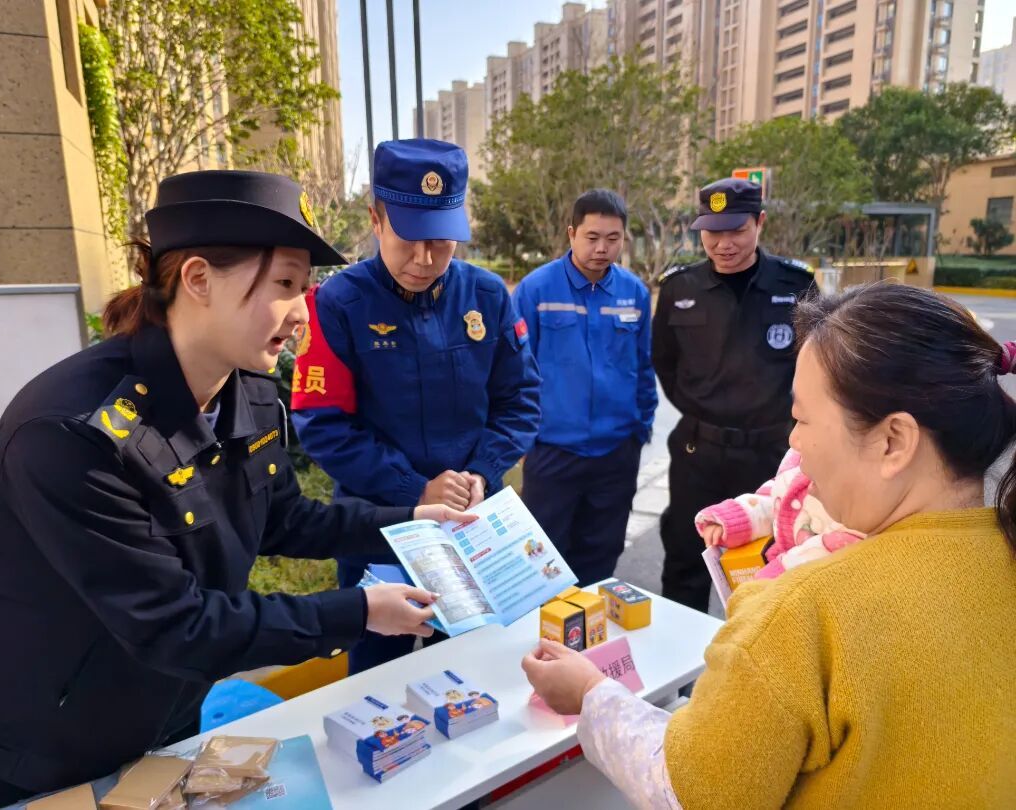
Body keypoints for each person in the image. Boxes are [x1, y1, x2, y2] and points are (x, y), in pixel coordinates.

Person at [0, 170, 470, 810]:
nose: (304, 313)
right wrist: (357, 612)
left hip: (160, 714)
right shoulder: (70, 434)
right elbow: (175, 624)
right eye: (285, 285)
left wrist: (415, 521)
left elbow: (284, 517)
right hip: (25, 745)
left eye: (305, 288)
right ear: (197, 279)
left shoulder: (247, 391)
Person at [524, 283, 1016, 808]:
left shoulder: (802, 613)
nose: (793, 442)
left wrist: (591, 695)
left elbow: (691, 792)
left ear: (893, 441)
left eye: (801, 419)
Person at [291, 139, 541, 673]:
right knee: (377, 681)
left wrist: (481, 471)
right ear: (375, 219)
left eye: (441, 241)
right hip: (380, 529)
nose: (425, 259)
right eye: (409, 238)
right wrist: (415, 489)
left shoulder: (487, 296)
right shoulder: (340, 303)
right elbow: (323, 423)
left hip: (472, 526)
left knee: (476, 673)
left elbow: (520, 400)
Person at [651, 178, 816, 612]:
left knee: (768, 564)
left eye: (736, 230)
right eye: (712, 231)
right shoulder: (680, 288)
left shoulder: (796, 285)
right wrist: (702, 410)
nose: (723, 244)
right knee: (685, 560)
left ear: (760, 223)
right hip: (698, 454)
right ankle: (684, 654)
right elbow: (665, 362)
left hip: (769, 455)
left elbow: (816, 368)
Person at [512, 190, 657, 584]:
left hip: (616, 453)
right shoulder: (536, 291)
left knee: (602, 553)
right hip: (553, 452)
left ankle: (590, 622)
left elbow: (644, 366)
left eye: (613, 238)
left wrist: (640, 429)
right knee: (543, 560)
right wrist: (525, 442)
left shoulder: (634, 294)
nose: (602, 248)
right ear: (571, 233)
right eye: (592, 237)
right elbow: (515, 372)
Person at [695, 446, 864, 579]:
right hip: (780, 583)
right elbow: (778, 496)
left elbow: (842, 544)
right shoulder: (801, 452)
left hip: (813, 593)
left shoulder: (861, 483)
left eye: (805, 422)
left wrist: (775, 577)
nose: (793, 438)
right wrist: (736, 518)